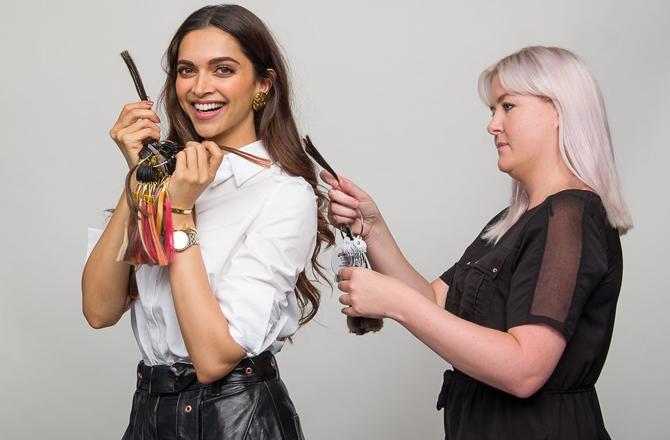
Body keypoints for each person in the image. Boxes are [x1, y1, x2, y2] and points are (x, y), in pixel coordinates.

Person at [322, 46, 632, 439]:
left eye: (508, 106)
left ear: (558, 110)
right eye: (492, 111)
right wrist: (374, 228)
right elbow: (434, 300)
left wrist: (396, 304)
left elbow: (525, 370)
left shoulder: (570, 217)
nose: (493, 125)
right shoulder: (512, 222)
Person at [82, 5, 333, 439]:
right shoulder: (168, 176)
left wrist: (179, 213)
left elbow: (214, 357)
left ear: (262, 84)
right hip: (149, 413)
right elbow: (99, 311)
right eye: (186, 70)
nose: (200, 88)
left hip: (234, 419)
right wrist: (141, 178)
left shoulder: (283, 195)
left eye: (223, 69)